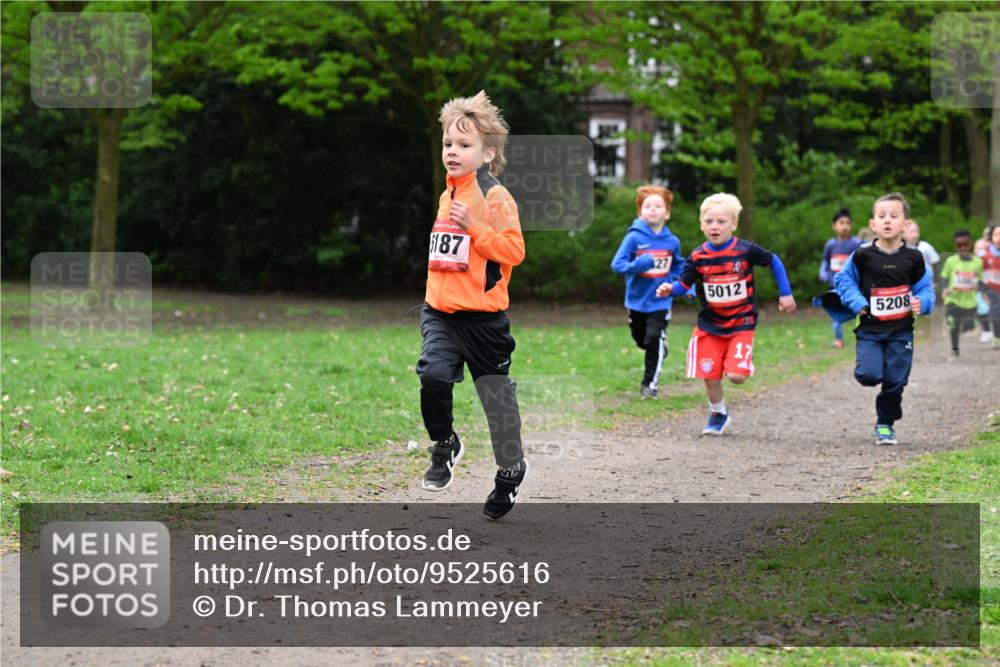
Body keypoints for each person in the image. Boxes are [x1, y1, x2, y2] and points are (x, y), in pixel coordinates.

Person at [415, 90, 528, 521]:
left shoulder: (494, 196)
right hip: (441, 312)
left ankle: (511, 470)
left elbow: (513, 251)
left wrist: (476, 228)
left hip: (484, 321)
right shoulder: (447, 194)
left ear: (487, 153)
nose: (453, 152)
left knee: (496, 402)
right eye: (448, 143)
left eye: (464, 145)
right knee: (433, 374)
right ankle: (444, 445)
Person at [655, 193, 796, 435]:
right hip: (710, 324)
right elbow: (684, 285)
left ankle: (742, 360)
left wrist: (785, 293)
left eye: (721, 222)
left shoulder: (745, 250)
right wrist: (670, 289)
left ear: (733, 224)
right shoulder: (698, 257)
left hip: (742, 320)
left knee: (737, 377)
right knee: (710, 376)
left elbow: (774, 261)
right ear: (701, 224)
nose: (714, 227)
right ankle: (719, 414)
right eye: (709, 221)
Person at [834, 192, 935, 445]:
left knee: (896, 380)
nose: (887, 220)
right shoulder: (862, 255)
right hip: (870, 330)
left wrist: (922, 302)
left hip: (901, 331)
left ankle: (885, 423)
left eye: (894, 215)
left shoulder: (914, 257)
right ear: (873, 225)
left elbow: (925, 288)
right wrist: (857, 301)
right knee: (868, 375)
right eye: (881, 216)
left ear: (906, 224)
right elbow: (843, 280)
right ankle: (882, 397)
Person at [611, 185, 685, 398]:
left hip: (661, 300)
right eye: (648, 206)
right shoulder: (634, 238)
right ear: (640, 212)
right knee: (642, 340)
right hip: (636, 301)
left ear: (667, 212)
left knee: (653, 338)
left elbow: (679, 266)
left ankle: (649, 385)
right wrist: (640, 264)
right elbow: (618, 265)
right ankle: (660, 346)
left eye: (658, 206)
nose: (653, 209)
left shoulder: (672, 242)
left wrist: (684, 286)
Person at [819, 207, 862, 348]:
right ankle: (838, 339)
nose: (845, 226)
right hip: (835, 286)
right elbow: (825, 260)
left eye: (848, 223)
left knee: (860, 311)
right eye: (841, 223)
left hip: (853, 286)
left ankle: (863, 335)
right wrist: (823, 272)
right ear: (834, 226)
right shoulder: (830, 245)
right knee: (836, 314)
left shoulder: (856, 243)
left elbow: (863, 261)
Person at [938, 229, 984, 359]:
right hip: (953, 300)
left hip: (970, 301)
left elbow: (980, 280)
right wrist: (944, 288)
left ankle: (963, 328)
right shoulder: (951, 261)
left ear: (971, 244)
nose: (963, 248)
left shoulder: (978, 262)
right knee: (953, 324)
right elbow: (944, 277)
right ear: (955, 246)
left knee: (969, 326)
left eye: (966, 244)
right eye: (959, 245)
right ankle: (955, 351)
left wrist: (978, 286)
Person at [980, 224, 1000, 349]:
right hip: (992, 289)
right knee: (995, 312)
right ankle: (997, 337)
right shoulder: (984, 255)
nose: (999, 238)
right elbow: (978, 273)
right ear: (991, 237)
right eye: (996, 234)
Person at [974, 235, 993, 343]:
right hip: (979, 290)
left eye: (983, 249)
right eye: (978, 248)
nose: (981, 251)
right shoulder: (974, 262)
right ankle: (986, 331)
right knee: (982, 310)